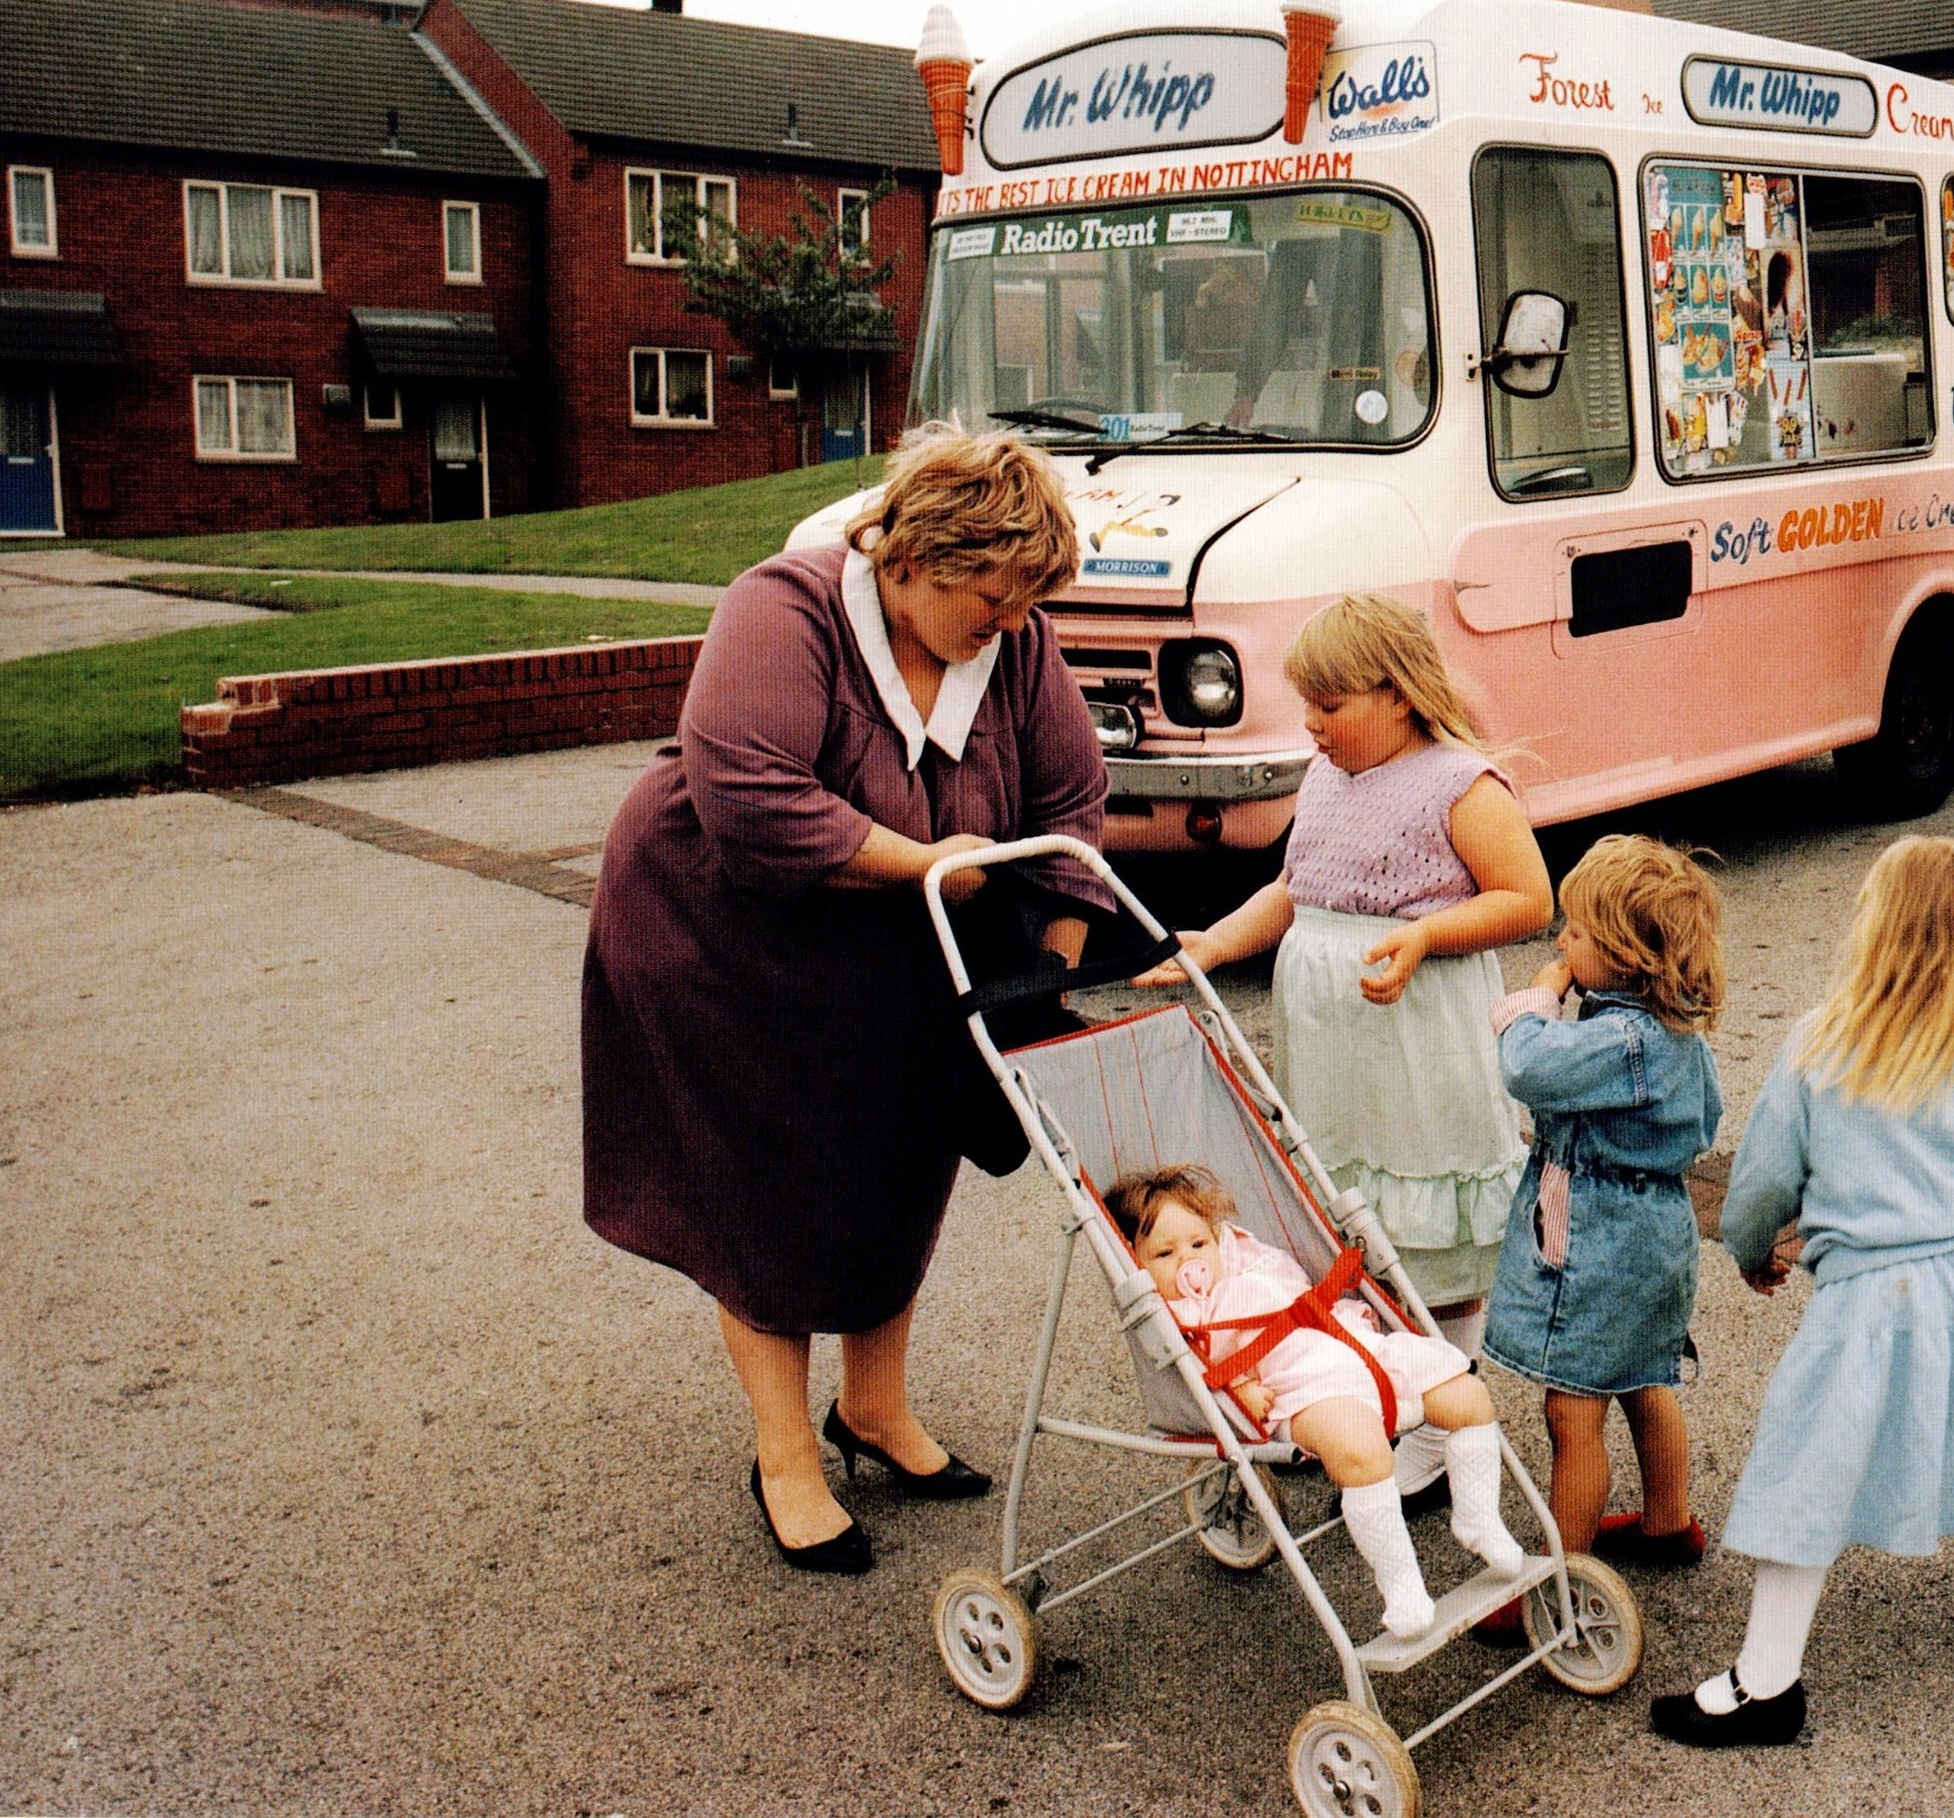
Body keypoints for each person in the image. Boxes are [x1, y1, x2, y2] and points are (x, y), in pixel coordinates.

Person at [582, 424, 1110, 1576]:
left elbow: (1070, 800)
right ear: (916, 555)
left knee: (897, 1157)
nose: (1012, 622)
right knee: (762, 1182)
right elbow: (750, 796)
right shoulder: (786, 608)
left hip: (896, 948)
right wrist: (921, 861)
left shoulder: (1013, 643)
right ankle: (784, 1454)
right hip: (719, 930)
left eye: (1028, 600)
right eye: (992, 592)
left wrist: (1043, 979)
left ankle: (873, 1410)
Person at [1655, 836, 1954, 1749]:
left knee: (1809, 1466)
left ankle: (1768, 1680)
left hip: (1872, 1299)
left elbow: (1766, 1176)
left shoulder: (1822, 1042)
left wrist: (1750, 1248)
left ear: (1872, 927)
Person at [1134, 594, 1551, 1464]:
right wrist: (1214, 943)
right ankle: (1371, 1374)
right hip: (1335, 1048)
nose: (1313, 726)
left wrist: (1429, 932)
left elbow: (1527, 898)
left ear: (1398, 695)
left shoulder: (1457, 781)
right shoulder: (1325, 778)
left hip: (1416, 1039)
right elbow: (1297, 889)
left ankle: (1443, 1411)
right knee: (1352, 1209)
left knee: (1428, 1215)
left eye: (1331, 706)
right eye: (1308, 706)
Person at [1470, 836, 1726, 1641]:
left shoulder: (1619, 1040)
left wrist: (1539, 998)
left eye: (1574, 934)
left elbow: (1528, 1068)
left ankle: (1554, 1579)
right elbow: (1708, 1119)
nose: (1560, 944)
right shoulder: (1677, 1034)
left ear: (1619, 952)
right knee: (1648, 1378)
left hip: (1600, 1246)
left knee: (1571, 1410)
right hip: (1658, 1235)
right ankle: (1666, 1519)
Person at [1104, 1167, 1524, 1638]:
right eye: (1164, 1253)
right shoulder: (1176, 1314)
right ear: (1136, 1266)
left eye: (1198, 1244)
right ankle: (1403, 1585)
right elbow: (1196, 1372)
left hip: (1359, 1347)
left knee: (1467, 1396)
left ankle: (1479, 1520)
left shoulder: (1243, 1256)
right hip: (1303, 1388)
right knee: (1363, 1451)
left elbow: (1242, 1241)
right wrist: (1237, 1389)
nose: (1187, 1260)